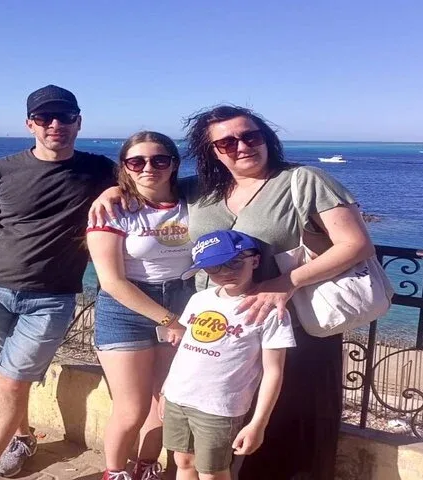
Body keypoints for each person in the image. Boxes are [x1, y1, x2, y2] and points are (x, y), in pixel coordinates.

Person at [89, 105, 375, 479]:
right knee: (211, 433)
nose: (241, 146)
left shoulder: (304, 180)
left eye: (249, 136)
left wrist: (284, 283)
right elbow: (151, 186)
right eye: (225, 142)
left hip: (287, 324)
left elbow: (356, 244)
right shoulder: (201, 188)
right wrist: (113, 190)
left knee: (286, 431)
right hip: (215, 331)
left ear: (266, 138)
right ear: (212, 152)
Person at [0, 84, 116, 480]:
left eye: (65, 116)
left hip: (51, 299)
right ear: (30, 124)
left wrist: (111, 194)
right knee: (4, 375)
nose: (55, 124)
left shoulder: (100, 171)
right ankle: (22, 437)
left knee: (11, 383)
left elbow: (152, 183)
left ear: (79, 122)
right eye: (44, 117)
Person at [86, 131, 196, 480]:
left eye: (159, 160)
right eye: (137, 161)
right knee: (131, 408)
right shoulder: (112, 210)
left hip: (181, 298)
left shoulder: (192, 200)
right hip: (127, 309)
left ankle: (146, 466)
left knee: (165, 401)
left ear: (174, 164)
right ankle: (115, 471)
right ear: (125, 167)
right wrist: (170, 320)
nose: (149, 168)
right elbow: (111, 281)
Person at [160, 229, 296, 480]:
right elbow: (185, 350)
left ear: (255, 260)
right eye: (213, 267)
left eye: (234, 263)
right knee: (183, 460)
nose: (224, 272)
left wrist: (258, 423)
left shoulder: (268, 311)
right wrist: (166, 389)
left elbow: (273, 372)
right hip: (178, 397)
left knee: (212, 471)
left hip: (219, 407)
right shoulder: (199, 299)